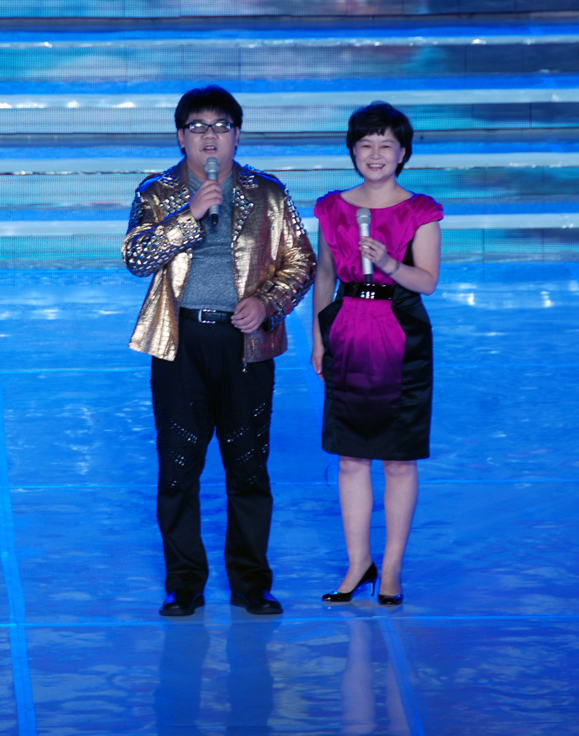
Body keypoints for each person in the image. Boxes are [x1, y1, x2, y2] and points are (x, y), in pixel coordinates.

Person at [123, 85, 315, 616]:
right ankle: (183, 582)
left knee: (248, 467)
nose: (210, 137)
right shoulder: (158, 192)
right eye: (198, 127)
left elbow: (302, 261)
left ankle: (251, 581)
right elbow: (137, 257)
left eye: (221, 126)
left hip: (245, 343)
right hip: (180, 343)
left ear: (237, 135)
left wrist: (267, 302)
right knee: (177, 468)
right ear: (180, 136)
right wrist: (189, 215)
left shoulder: (268, 193)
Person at [311, 101, 443, 605]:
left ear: (403, 152)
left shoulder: (421, 210)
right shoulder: (332, 208)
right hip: (347, 331)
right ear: (352, 150)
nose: (375, 153)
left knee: (399, 460)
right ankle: (357, 564)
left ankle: (390, 569)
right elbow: (325, 276)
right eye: (365, 144)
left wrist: (389, 262)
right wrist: (319, 338)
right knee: (350, 458)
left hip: (401, 335)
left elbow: (426, 282)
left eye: (386, 144)